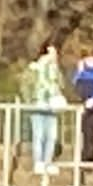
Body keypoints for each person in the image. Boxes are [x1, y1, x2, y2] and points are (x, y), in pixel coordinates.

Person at [21, 41, 66, 175]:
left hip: (52, 106)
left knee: (51, 137)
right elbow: (25, 85)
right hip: (38, 104)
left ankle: (48, 162)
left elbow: (61, 85)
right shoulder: (34, 69)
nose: (54, 57)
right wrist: (29, 100)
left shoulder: (55, 70)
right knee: (38, 135)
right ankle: (38, 162)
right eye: (52, 54)